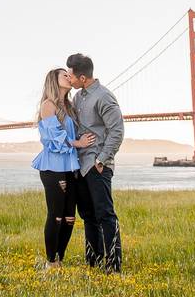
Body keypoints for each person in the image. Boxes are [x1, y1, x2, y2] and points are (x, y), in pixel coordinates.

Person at [31, 68, 96, 268]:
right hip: (53, 167)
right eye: (64, 75)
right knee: (56, 215)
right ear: (54, 80)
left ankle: (60, 258)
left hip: (70, 168)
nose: (69, 77)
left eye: (69, 75)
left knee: (69, 217)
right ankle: (51, 262)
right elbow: (55, 138)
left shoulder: (68, 106)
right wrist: (79, 143)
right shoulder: (48, 105)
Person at [68, 53, 125, 272]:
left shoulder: (104, 97)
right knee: (88, 217)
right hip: (81, 166)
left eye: (71, 75)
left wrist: (101, 160)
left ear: (82, 77)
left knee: (105, 215)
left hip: (97, 165)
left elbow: (117, 132)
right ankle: (93, 262)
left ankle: (114, 265)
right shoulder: (78, 97)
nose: (69, 78)